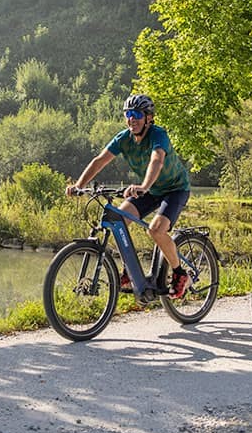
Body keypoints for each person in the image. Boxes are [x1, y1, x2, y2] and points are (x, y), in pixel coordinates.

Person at [66, 94, 192, 298]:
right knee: (118, 221)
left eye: (136, 114)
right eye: (128, 114)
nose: (131, 119)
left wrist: (143, 185)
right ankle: (130, 272)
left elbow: (157, 161)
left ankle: (179, 274)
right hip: (150, 190)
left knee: (156, 230)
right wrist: (79, 185)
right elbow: (99, 161)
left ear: (148, 117)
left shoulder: (158, 135)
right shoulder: (124, 138)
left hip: (174, 188)